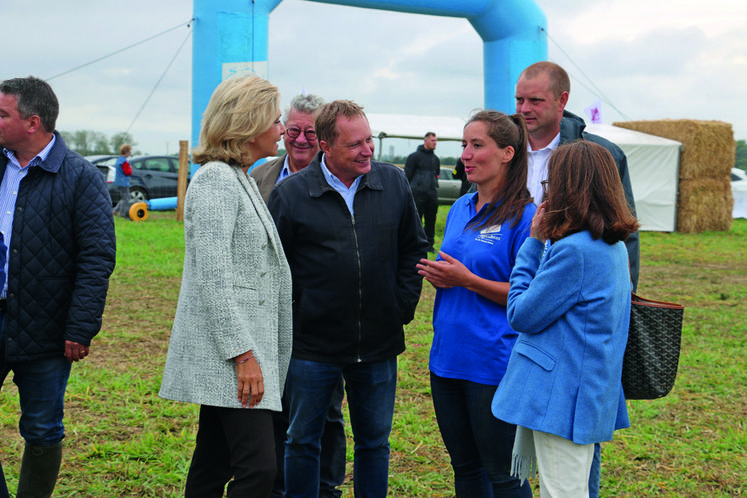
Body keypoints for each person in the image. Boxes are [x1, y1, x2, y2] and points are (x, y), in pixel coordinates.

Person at [268, 100, 428, 498]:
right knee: (302, 439)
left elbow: (413, 249)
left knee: (374, 442)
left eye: (369, 139)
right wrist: (297, 319)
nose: (367, 150)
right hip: (312, 348)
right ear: (326, 146)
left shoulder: (392, 183)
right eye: (355, 144)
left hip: (378, 344)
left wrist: (400, 306)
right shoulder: (291, 194)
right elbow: (273, 269)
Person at [159, 75, 292, 498]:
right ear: (248, 124)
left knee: (212, 463)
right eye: (275, 120)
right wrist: (243, 354)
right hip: (235, 360)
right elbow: (212, 278)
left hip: (238, 358)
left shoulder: (239, 178)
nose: (282, 130)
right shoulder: (217, 180)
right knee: (258, 469)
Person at [514, 60, 640, 497]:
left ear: (570, 186)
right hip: (588, 387)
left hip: (562, 394)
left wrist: (532, 245)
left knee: (561, 490)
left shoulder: (574, 251)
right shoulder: (613, 246)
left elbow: (523, 313)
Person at [0, 76, 116, 497]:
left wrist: (79, 326)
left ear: (32, 123)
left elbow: (97, 256)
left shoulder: (80, 177)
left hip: (45, 328)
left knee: (42, 429)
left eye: (2, 114)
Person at [417, 111, 535, 497]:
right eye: (463, 145)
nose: (465, 155)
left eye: (477, 145)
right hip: (447, 358)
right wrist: (443, 277)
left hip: (494, 363)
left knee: (504, 475)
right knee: (465, 469)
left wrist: (467, 280)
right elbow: (458, 273)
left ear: (507, 153)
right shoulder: (460, 208)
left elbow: (528, 296)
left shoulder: (526, 216)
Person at [251, 93, 347, 498]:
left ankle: (326, 488)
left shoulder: (341, 181)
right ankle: (279, 487)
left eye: (310, 131)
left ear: (323, 136)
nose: (301, 139)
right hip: (269, 316)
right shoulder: (260, 178)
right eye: (293, 130)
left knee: (324, 411)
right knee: (274, 404)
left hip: (321, 320)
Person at [405, 131, 440, 252]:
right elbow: (407, 177)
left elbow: (437, 175)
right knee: (416, 221)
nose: (435, 143)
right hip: (417, 195)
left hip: (432, 195)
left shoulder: (435, 159)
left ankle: (429, 245)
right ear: (426, 141)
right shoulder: (414, 157)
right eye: (433, 141)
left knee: (431, 221)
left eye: (436, 141)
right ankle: (415, 245)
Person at [113, 143, 132, 218]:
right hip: (124, 182)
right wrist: (130, 168)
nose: (130, 153)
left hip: (118, 181)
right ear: (126, 152)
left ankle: (115, 210)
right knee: (126, 199)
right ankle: (122, 214)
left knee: (124, 198)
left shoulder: (118, 160)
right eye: (129, 152)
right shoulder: (124, 162)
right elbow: (127, 172)